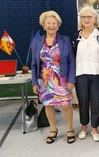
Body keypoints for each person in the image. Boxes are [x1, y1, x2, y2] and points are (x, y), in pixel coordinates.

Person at [31, 11, 76, 144]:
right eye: (48, 23)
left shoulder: (65, 40)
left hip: (62, 80)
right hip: (44, 81)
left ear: (58, 25)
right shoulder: (37, 41)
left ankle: (70, 129)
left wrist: (71, 79)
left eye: (54, 23)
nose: (51, 25)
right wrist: (34, 82)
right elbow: (33, 64)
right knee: (48, 104)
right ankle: (53, 129)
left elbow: (71, 61)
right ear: (43, 25)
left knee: (66, 105)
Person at [72, 6, 99, 142]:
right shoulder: (75, 35)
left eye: (89, 16)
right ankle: (84, 127)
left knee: (96, 102)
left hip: (97, 74)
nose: (86, 19)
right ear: (81, 19)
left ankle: (95, 128)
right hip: (80, 74)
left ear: (95, 18)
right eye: (83, 17)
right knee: (83, 101)